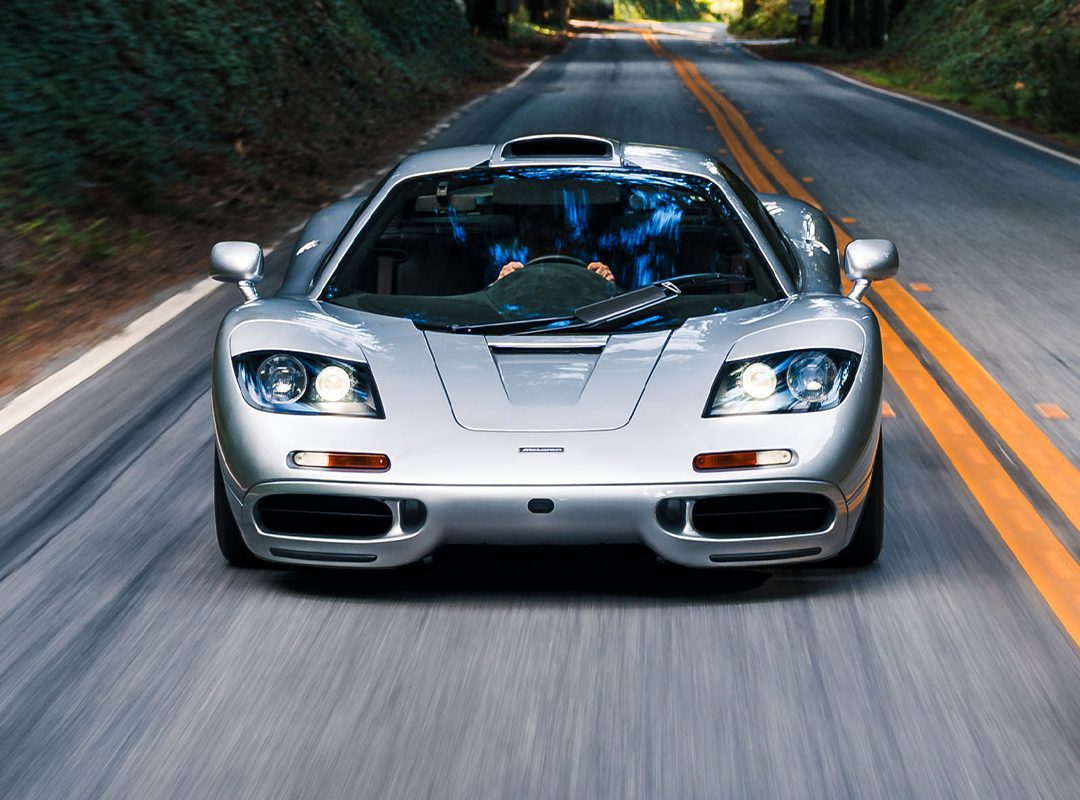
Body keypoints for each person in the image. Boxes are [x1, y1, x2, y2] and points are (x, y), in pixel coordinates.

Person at [494, 206, 615, 283]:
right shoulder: (515, 281)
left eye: (557, 241)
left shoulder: (591, 279)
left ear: (570, 242)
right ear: (528, 244)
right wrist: (501, 286)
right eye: (540, 242)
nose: (548, 248)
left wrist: (608, 287)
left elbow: (616, 316)